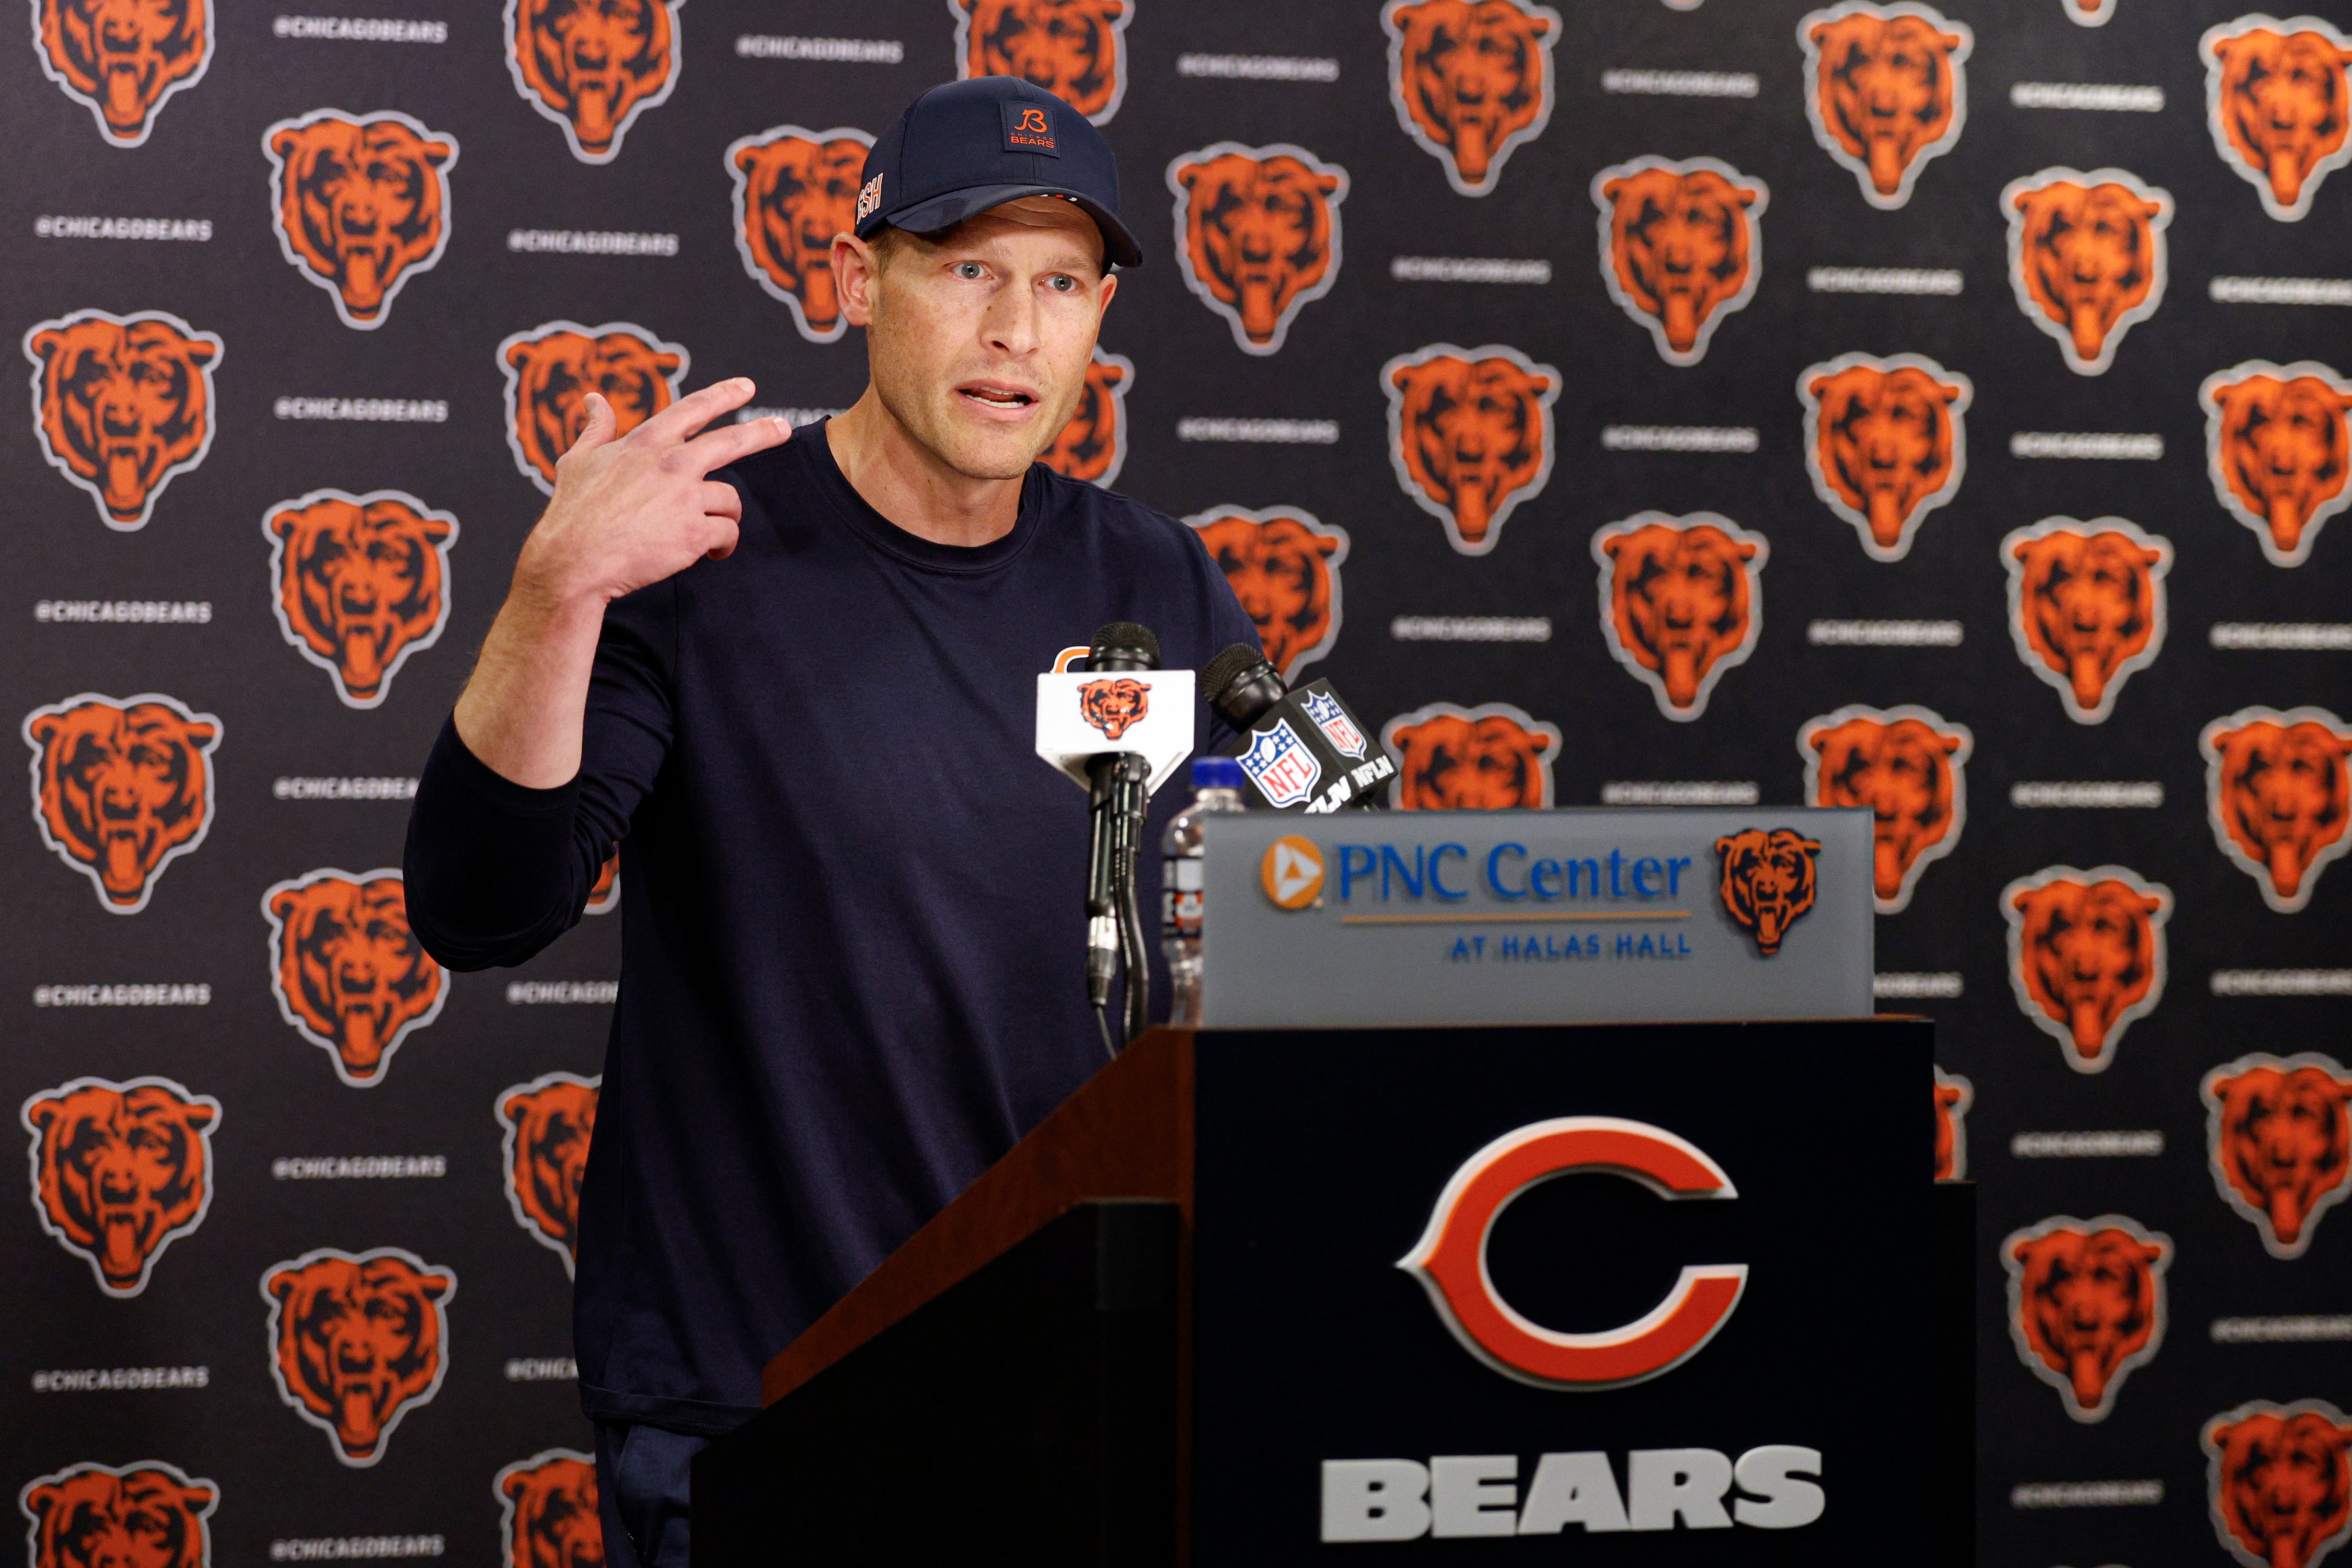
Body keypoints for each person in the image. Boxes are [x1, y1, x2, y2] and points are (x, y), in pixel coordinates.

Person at [403, 78, 1259, 1568]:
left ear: (1100, 317)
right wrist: (557, 594)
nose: (1016, 330)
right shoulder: (699, 549)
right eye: (969, 268)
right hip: (764, 1399)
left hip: (1076, 1390)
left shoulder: (1159, 580)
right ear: (861, 280)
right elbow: (479, 909)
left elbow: (1315, 890)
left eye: (1061, 283)